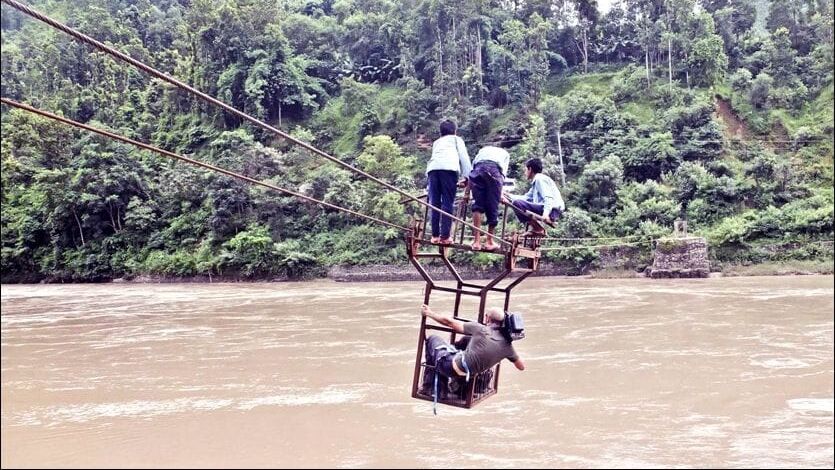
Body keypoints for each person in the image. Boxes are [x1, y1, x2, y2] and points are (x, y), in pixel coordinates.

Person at [419, 304, 525, 398]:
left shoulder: (481, 329)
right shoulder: (508, 348)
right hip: (468, 374)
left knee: (433, 339)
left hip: (450, 367)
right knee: (467, 340)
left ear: (488, 319)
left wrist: (429, 313)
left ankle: (433, 389)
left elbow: (449, 322)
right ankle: (458, 388)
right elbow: (521, 367)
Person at [425, 120, 472, 244]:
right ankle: (445, 236)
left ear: (441, 132)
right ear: (455, 131)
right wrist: (467, 177)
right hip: (449, 170)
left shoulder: (436, 142)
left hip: (432, 170)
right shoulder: (457, 139)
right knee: (447, 202)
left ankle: (435, 236)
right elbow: (464, 158)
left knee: (434, 202)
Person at [505, 158, 565, 236]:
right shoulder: (537, 181)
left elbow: (548, 197)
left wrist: (545, 214)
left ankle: (537, 228)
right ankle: (535, 227)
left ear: (530, 169)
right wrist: (507, 195)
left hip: (552, 210)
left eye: (525, 170)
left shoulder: (539, 179)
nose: (525, 172)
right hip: (549, 209)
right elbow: (525, 198)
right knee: (517, 203)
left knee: (517, 203)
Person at [468, 145, 510, 251]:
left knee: (477, 205)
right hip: (494, 171)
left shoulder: (482, 151)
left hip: (478, 170)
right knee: (493, 205)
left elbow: (471, 171)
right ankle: (489, 241)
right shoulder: (505, 154)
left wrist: (466, 193)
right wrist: (499, 194)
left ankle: (476, 242)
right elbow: (502, 175)